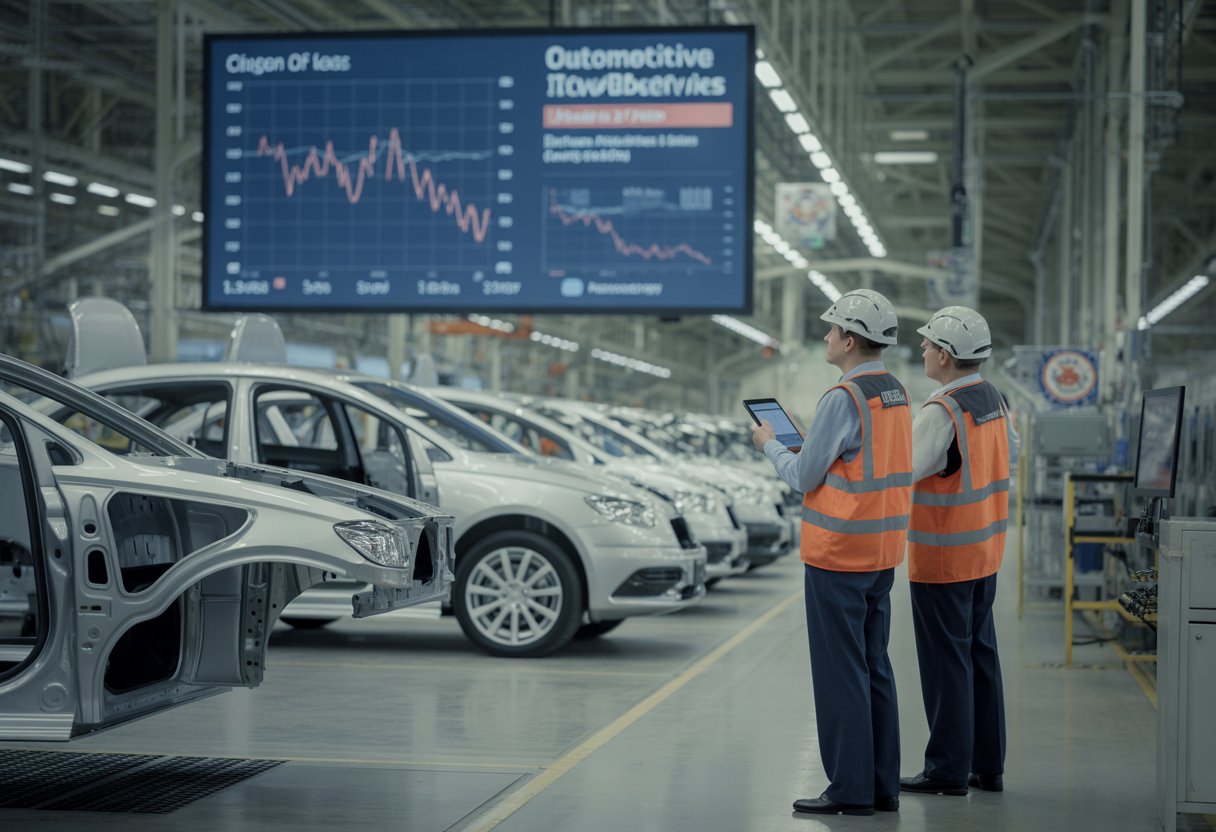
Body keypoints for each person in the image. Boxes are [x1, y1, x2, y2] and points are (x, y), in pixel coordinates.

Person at [751, 289, 913, 817]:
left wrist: (770, 444)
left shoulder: (842, 397)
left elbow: (803, 476)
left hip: (837, 552)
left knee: (841, 672)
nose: (825, 337)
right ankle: (881, 787)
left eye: (830, 330)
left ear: (848, 338)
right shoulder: (895, 392)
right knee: (874, 667)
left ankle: (848, 791)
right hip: (881, 550)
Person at [899, 306, 1015, 798]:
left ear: (945, 357)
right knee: (980, 657)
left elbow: (901, 470)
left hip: (944, 557)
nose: (922, 350)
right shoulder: (993, 399)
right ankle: (987, 766)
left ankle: (946, 770)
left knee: (947, 665)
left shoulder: (940, 411)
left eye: (927, 345)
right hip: (984, 552)